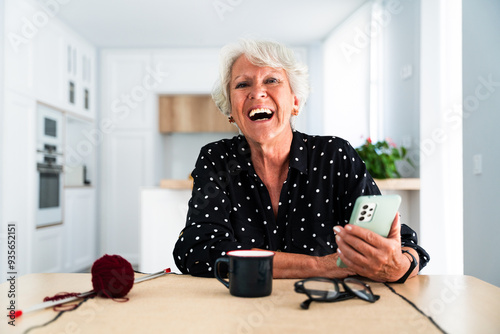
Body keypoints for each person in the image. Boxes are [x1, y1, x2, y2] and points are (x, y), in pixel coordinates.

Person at [173, 39, 429, 282]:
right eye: (242, 85)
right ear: (230, 110)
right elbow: (197, 252)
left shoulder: (334, 155)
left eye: (271, 80)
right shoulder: (217, 159)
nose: (257, 92)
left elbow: (401, 244)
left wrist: (399, 266)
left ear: (295, 102)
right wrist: (320, 266)